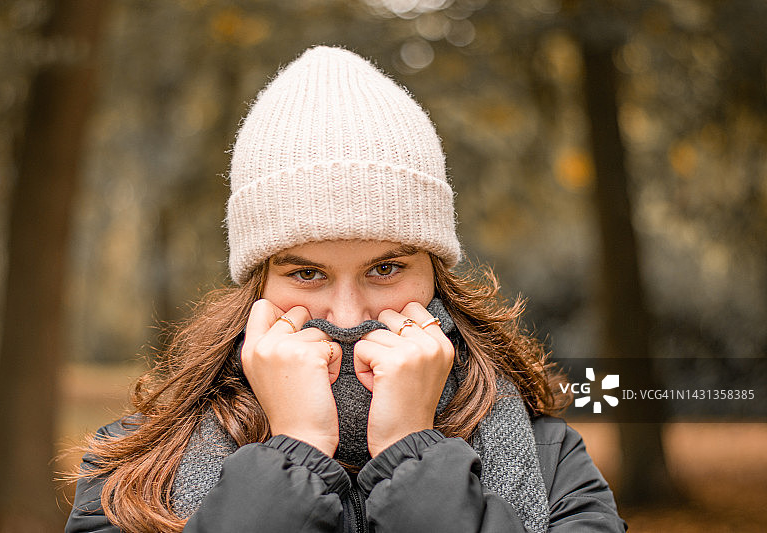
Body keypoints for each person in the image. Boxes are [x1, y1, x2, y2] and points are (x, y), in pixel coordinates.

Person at [66, 46, 626, 532]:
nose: (345, 315)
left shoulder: (552, 459)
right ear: (258, 281)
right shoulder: (133, 467)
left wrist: (414, 457)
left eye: (385, 270)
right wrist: (295, 452)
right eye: (306, 273)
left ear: (435, 272)